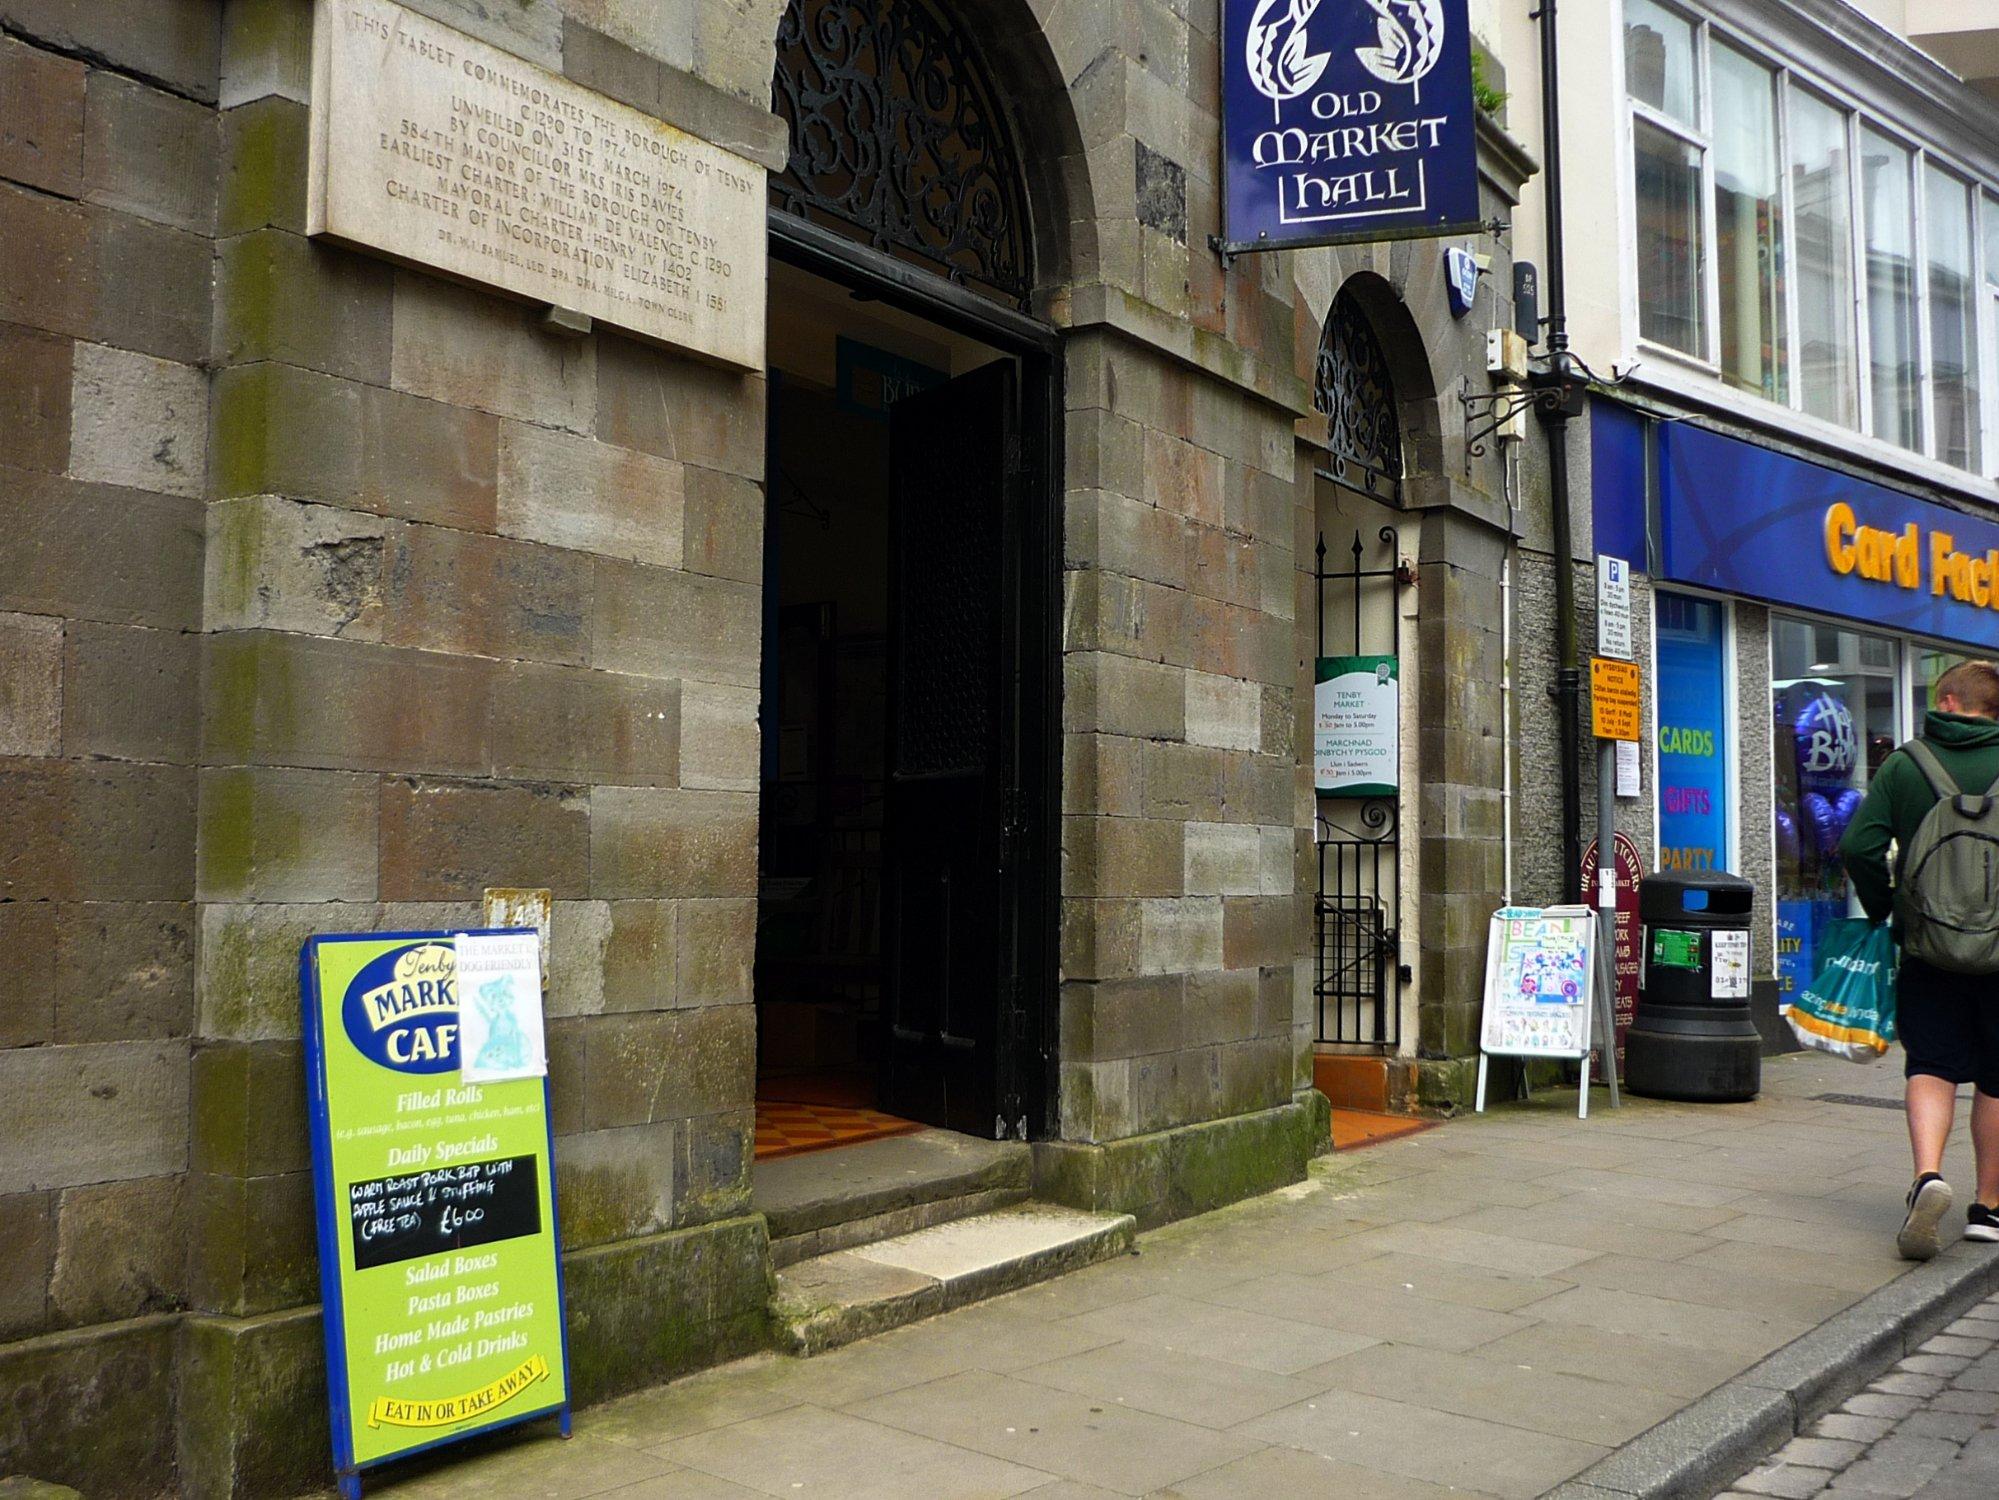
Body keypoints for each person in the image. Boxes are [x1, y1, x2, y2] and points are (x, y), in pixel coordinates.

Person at [1841, 659, 1999, 1259]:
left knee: (1930, 1064)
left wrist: (1889, 910)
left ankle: (1928, 1177)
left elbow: (1859, 845)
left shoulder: (1908, 764)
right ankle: (1988, 1208)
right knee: (1997, 1076)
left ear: (1951, 702)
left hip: (1929, 948)